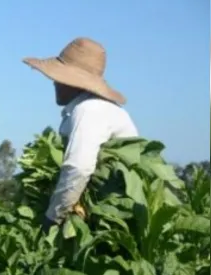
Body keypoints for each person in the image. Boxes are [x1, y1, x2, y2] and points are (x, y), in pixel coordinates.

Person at [23, 37, 139, 231]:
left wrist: (52, 218)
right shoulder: (94, 108)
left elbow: (79, 168)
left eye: (59, 79)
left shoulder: (89, 110)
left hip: (114, 218)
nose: (54, 84)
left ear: (75, 83)